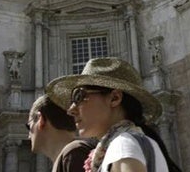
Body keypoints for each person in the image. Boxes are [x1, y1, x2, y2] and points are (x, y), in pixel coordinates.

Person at [46, 57, 182, 172]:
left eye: (79, 96)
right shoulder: (128, 142)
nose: (71, 109)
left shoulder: (123, 144)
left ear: (114, 98)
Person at [27, 94, 96, 172]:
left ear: (41, 120)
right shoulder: (70, 155)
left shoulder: (73, 154)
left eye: (28, 126)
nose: (29, 136)